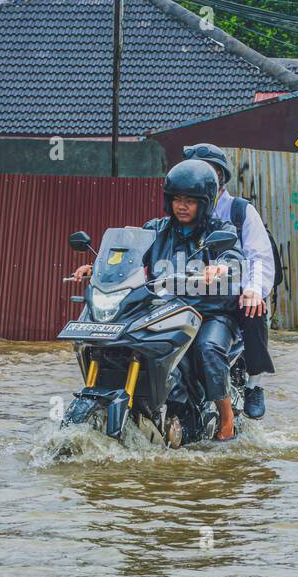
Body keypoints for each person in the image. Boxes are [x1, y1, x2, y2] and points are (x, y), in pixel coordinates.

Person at [72, 159, 244, 441]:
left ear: (206, 202)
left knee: (208, 349)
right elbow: (130, 256)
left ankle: (226, 420)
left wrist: (221, 267)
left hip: (211, 313)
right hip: (165, 309)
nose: (182, 206)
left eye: (190, 200)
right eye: (177, 199)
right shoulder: (156, 229)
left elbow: (234, 256)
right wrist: (98, 269)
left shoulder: (218, 230)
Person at [182, 142, 275, 419]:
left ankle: (254, 383)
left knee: (253, 306)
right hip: (193, 294)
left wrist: (254, 290)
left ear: (219, 178)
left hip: (234, 295)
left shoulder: (239, 211)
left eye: (205, 173)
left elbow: (258, 256)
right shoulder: (183, 212)